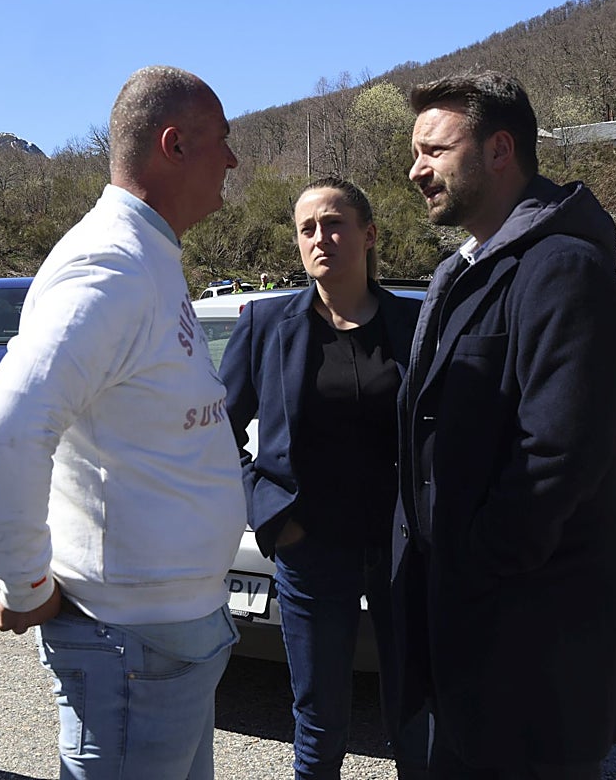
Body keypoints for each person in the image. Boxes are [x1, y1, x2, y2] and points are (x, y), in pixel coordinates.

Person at [0, 65, 246, 780]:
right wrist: (25, 587)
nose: (234, 161)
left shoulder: (148, 255)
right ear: (173, 145)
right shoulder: (111, 267)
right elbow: (2, 433)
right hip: (131, 650)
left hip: (161, 646)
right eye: (223, 141)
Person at [389, 70, 616, 778]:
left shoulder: (564, 269)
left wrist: (473, 566)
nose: (416, 169)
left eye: (435, 150)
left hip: (532, 643)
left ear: (500, 149)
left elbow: (558, 457)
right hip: (472, 635)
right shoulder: (465, 270)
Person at [219, 177, 421, 779]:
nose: (320, 238)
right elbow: (216, 433)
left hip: (405, 545)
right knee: (319, 717)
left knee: (416, 708)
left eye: (334, 223)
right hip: (310, 547)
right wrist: (271, 514)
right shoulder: (265, 325)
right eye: (307, 228)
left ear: (368, 234)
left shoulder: (415, 324)